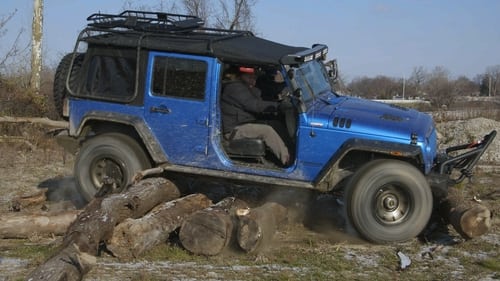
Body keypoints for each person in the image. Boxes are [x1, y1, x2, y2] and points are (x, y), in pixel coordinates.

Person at [221, 66, 290, 166]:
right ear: (241, 76)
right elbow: (254, 105)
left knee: (276, 124)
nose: (253, 80)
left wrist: (277, 102)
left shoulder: (244, 87)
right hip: (234, 130)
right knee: (267, 131)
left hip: (243, 122)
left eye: (254, 78)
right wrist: (278, 106)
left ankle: (288, 150)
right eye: (250, 77)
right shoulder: (234, 88)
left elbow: (261, 97)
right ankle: (287, 160)